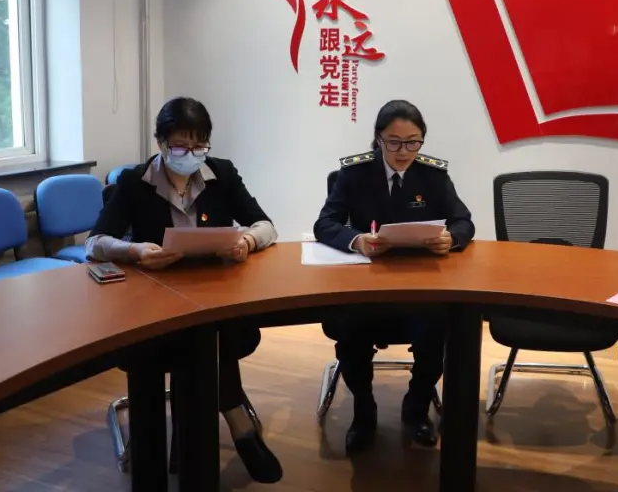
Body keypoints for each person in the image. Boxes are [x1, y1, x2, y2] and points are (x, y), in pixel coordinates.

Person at [87, 97, 283, 484]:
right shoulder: (134, 181)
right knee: (200, 340)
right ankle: (238, 424)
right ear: (160, 142)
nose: (190, 154)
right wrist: (134, 250)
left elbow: (265, 225)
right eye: (180, 146)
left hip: (212, 295)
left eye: (199, 145)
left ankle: (202, 437)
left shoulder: (221, 174)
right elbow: (94, 243)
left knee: (211, 331)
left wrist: (246, 241)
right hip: (153, 302)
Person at [314, 100, 475, 454]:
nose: (404, 152)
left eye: (413, 142)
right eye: (394, 142)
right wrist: (357, 240)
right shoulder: (354, 173)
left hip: (420, 285)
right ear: (378, 139)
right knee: (351, 330)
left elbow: (463, 221)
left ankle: (416, 406)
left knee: (437, 328)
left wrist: (451, 238)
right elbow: (324, 224)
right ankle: (364, 411)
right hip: (367, 284)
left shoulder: (433, 175)